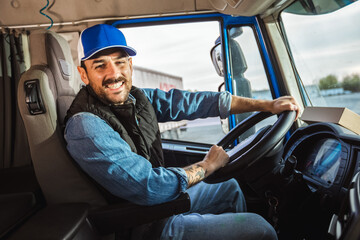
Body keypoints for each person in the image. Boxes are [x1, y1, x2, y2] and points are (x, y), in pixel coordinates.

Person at [64, 24, 300, 240]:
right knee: (260, 230)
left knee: (229, 187)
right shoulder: (85, 126)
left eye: (120, 62)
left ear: (130, 65)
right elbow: (149, 186)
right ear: (84, 74)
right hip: (142, 224)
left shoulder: (136, 98)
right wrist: (207, 166)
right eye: (100, 65)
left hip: (159, 207)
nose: (114, 73)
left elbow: (191, 102)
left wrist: (266, 105)